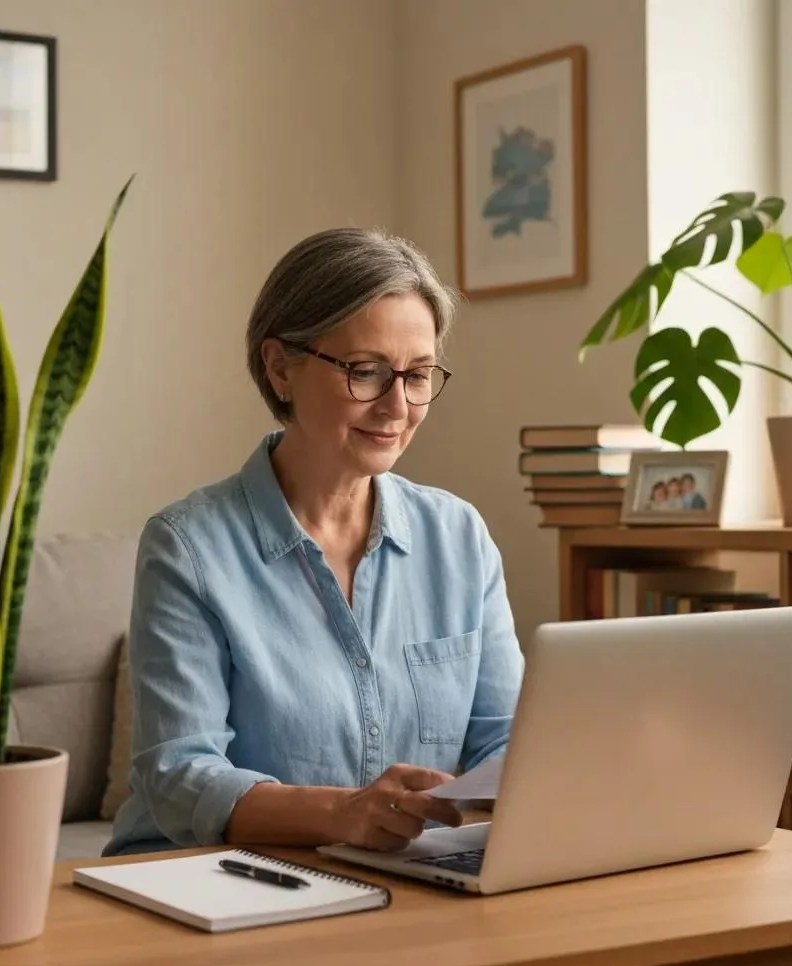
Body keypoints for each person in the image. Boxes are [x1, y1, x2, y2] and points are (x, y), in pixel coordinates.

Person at [102, 227, 525, 858]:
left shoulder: (459, 538)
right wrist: (343, 813)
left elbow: (509, 739)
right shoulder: (187, 547)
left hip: (405, 881)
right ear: (280, 369)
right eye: (366, 372)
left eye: (418, 375)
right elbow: (179, 777)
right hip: (217, 883)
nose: (398, 406)